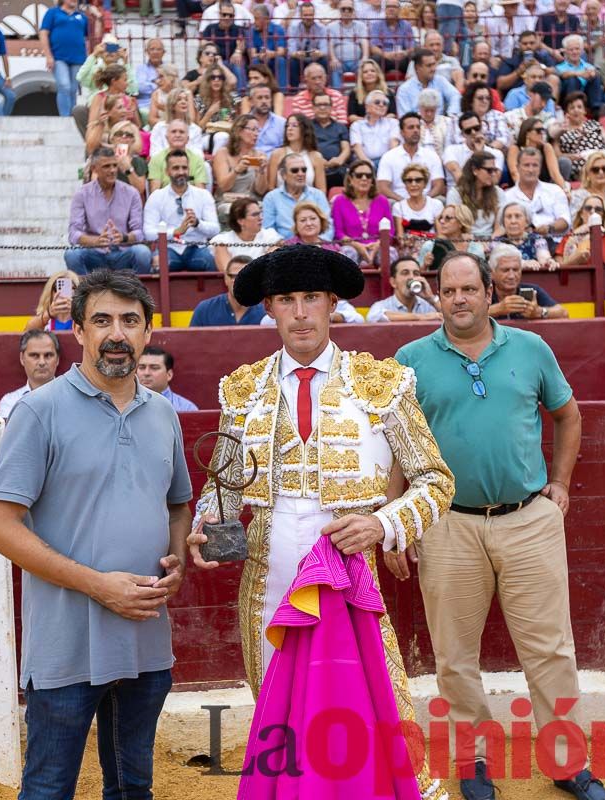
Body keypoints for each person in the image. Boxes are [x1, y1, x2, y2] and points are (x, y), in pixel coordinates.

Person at [189, 245, 454, 800]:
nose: (301, 312)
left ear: (333, 304)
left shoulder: (383, 383)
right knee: (280, 723)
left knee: (370, 719)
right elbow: (224, 484)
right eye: (287, 300)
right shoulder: (242, 390)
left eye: (311, 298)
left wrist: (383, 525)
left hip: (350, 582)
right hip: (268, 585)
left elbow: (436, 480)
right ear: (271, 309)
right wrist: (205, 524)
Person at [396, 250, 605, 800]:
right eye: (450, 291)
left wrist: (559, 484)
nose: (460, 299)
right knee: (454, 654)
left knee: (550, 649)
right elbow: (396, 447)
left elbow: (567, 415)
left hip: (527, 518)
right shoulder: (411, 358)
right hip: (446, 524)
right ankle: (472, 762)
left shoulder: (531, 348)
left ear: (490, 294)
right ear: (437, 296)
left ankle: (566, 762)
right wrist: (396, 522)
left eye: (470, 289)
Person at [0, 269, 191, 800]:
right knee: (50, 788)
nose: (116, 333)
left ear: (148, 333)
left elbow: (178, 505)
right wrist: (98, 585)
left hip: (144, 642)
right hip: (66, 646)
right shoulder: (39, 410)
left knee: (132, 787)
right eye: (101, 320)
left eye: (129, 321)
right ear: (77, 331)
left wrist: (175, 561)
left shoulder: (164, 414)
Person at [66, 148, 150, 275]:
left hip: (123, 252)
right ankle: (85, 291)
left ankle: (136, 292)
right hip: (94, 253)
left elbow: (139, 233)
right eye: (106, 166)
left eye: (115, 165)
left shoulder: (131, 193)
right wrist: (95, 241)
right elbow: (73, 234)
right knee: (72, 254)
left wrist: (124, 237)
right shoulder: (82, 194)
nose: (112, 170)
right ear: (95, 169)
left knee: (143, 253)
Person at [143, 149, 219, 272]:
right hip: (169, 248)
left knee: (213, 259)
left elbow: (215, 230)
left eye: (184, 168)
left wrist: (197, 223)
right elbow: (148, 233)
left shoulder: (203, 195)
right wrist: (175, 232)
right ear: (167, 171)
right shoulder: (157, 196)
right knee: (158, 263)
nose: (181, 172)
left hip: (197, 248)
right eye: (176, 168)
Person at [331, 159, 392, 264]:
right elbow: (338, 233)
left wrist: (378, 244)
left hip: (377, 246)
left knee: (389, 252)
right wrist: (356, 245)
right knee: (347, 253)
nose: (364, 178)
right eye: (359, 175)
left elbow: (390, 232)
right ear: (350, 179)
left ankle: (390, 281)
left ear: (372, 180)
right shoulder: (339, 201)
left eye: (368, 176)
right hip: (351, 246)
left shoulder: (382, 201)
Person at [503, 147, 571, 239]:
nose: (531, 170)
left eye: (535, 165)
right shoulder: (507, 196)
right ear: (518, 167)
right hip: (519, 244)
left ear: (540, 168)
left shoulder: (555, 191)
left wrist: (549, 228)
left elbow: (565, 220)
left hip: (553, 241)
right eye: (526, 165)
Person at [487, 243, 568, 319]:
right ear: (492, 273)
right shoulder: (484, 292)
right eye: (505, 270)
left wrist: (539, 312)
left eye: (515, 270)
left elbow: (564, 313)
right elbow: (474, 316)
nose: (511, 276)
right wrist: (497, 309)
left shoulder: (532, 290)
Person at [378, 112, 445, 201]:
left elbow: (439, 185)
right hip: (398, 202)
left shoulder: (431, 155)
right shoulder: (389, 156)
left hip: (426, 201)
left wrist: (424, 201)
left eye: (418, 127)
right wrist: (404, 203)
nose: (415, 130)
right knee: (388, 202)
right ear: (402, 132)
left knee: (441, 200)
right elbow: (382, 187)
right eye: (411, 127)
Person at [261, 152, 329, 239]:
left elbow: (328, 227)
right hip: (284, 248)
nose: (301, 174)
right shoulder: (271, 198)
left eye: (304, 170)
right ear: (283, 175)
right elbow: (268, 229)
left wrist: (317, 243)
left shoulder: (318, 195)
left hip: (316, 246)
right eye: (295, 170)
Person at [0, 330, 60, 420]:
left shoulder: (72, 398)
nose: (42, 362)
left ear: (57, 359)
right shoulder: (10, 402)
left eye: (48, 355)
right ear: (22, 358)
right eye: (34, 355)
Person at [189, 254, 266, 325]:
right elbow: (191, 339)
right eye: (233, 276)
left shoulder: (266, 314)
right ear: (226, 279)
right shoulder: (205, 310)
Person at [366, 255, 441, 322]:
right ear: (393, 282)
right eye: (405, 273)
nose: (412, 277)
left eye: (416, 273)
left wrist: (431, 298)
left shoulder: (427, 305)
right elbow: (373, 317)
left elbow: (450, 317)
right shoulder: (383, 305)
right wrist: (420, 317)